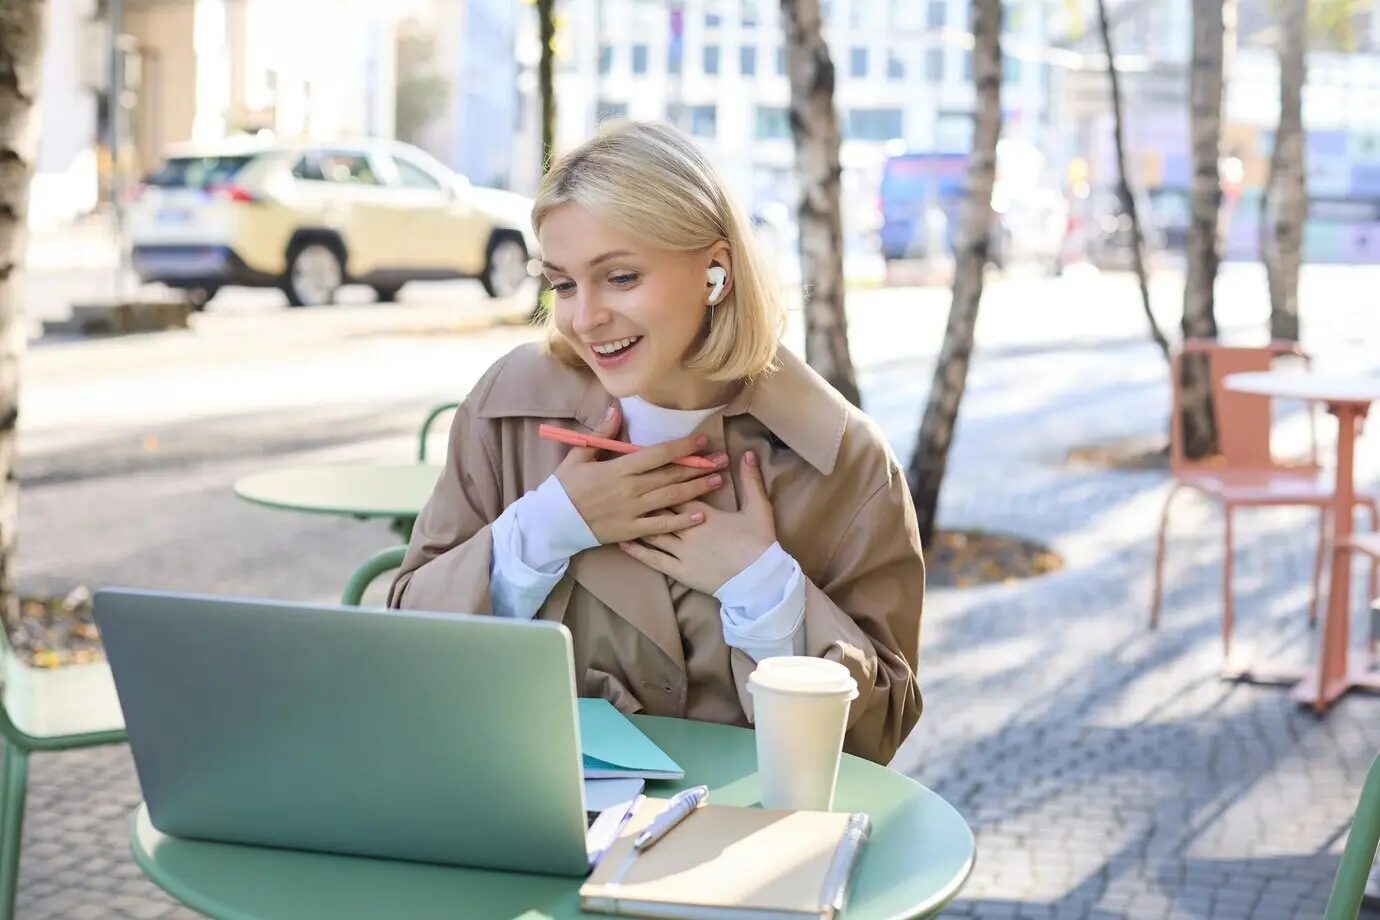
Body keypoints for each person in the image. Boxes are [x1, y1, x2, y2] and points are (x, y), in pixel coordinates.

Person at [388, 119, 925, 766]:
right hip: (530, 824)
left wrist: (765, 589)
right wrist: (541, 530)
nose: (585, 318)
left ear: (715, 273)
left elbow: (878, 735)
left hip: (747, 842)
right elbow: (406, 649)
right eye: (562, 284)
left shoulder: (844, 460)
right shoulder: (507, 411)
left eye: (620, 278)